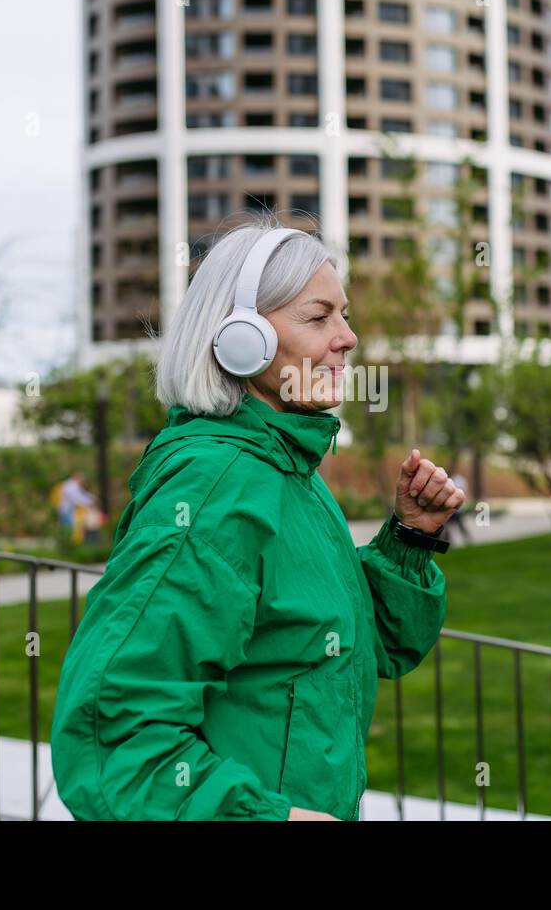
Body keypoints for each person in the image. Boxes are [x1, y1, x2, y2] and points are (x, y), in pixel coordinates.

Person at [50, 220, 465, 821]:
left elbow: (359, 648)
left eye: (344, 316)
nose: (348, 338)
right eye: (319, 317)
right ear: (241, 339)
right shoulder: (216, 487)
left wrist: (409, 539)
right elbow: (114, 731)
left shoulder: (290, 473)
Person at [55, 472, 98, 540]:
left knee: (68, 527)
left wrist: (92, 498)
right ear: (77, 478)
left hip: (68, 509)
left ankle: (66, 541)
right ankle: (67, 542)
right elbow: (76, 498)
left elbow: (82, 494)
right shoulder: (70, 486)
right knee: (68, 527)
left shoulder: (71, 485)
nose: (82, 482)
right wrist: (90, 501)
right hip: (66, 509)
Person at [443, 471, 473, 546]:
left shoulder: (457, 480)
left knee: (456, 526)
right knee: (448, 526)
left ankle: (466, 540)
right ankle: (449, 541)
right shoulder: (459, 480)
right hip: (455, 509)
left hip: (456, 509)